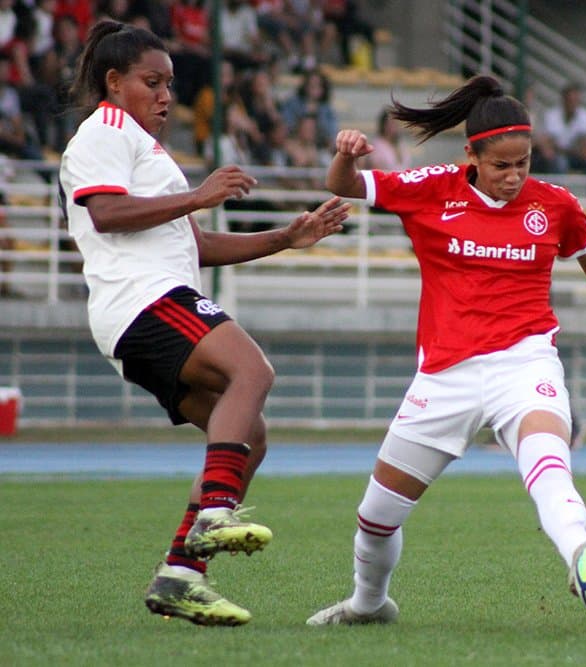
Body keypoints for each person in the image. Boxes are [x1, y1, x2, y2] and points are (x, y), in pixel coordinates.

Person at [306, 74, 586, 625]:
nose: (514, 177)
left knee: (548, 462)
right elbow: (344, 185)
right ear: (472, 155)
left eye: (524, 164)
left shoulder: (555, 205)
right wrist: (345, 156)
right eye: (501, 165)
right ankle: (369, 605)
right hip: (445, 376)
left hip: (525, 362)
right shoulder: (431, 187)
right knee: (376, 515)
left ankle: (584, 556)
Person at [59, 20, 350, 626]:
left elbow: (196, 248)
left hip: (152, 302)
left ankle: (180, 576)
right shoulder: (104, 130)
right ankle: (217, 511)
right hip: (142, 301)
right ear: (113, 83)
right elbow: (108, 214)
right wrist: (196, 195)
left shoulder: (147, 151)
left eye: (170, 84)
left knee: (251, 436)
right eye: (152, 82)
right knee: (252, 370)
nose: (166, 95)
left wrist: (286, 238)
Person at [541, 82, 586, 196]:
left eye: (575, 100)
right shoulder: (552, 115)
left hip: (575, 155)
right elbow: (551, 142)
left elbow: (584, 142)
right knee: (560, 163)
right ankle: (560, 197)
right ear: (563, 99)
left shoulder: (585, 116)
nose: (573, 103)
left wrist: (582, 151)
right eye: (570, 100)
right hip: (558, 156)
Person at [362, 106, 410, 172]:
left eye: (396, 123)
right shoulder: (377, 146)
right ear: (384, 125)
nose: (395, 126)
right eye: (391, 123)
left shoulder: (401, 144)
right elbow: (377, 171)